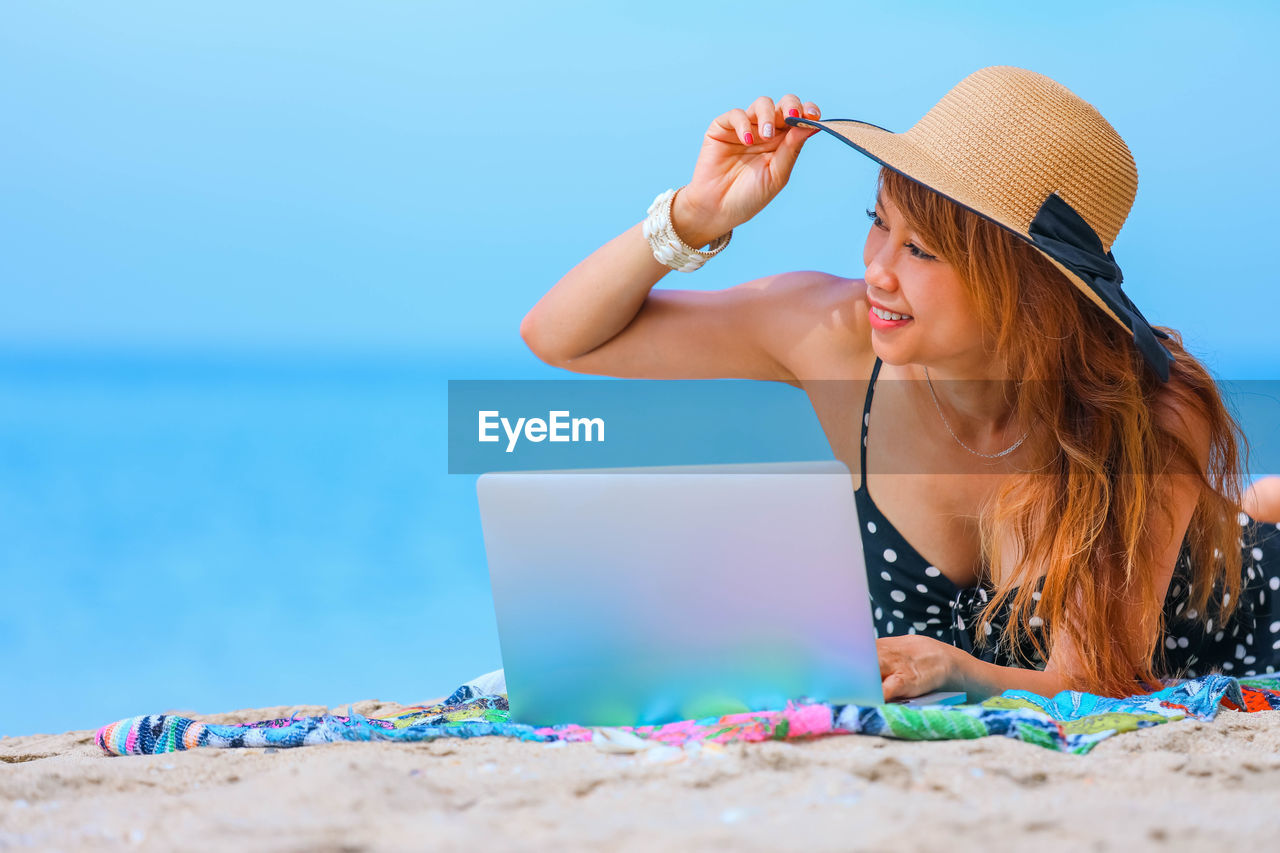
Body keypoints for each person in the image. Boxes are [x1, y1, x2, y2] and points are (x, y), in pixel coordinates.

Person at [519, 66, 1280, 701]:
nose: (877, 268)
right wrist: (693, 215)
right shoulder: (840, 341)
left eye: (923, 251)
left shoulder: (1139, 413)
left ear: (1028, 288)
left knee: (1227, 521)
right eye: (877, 221)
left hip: (1245, 619)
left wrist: (953, 669)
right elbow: (560, 337)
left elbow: (1097, 681)